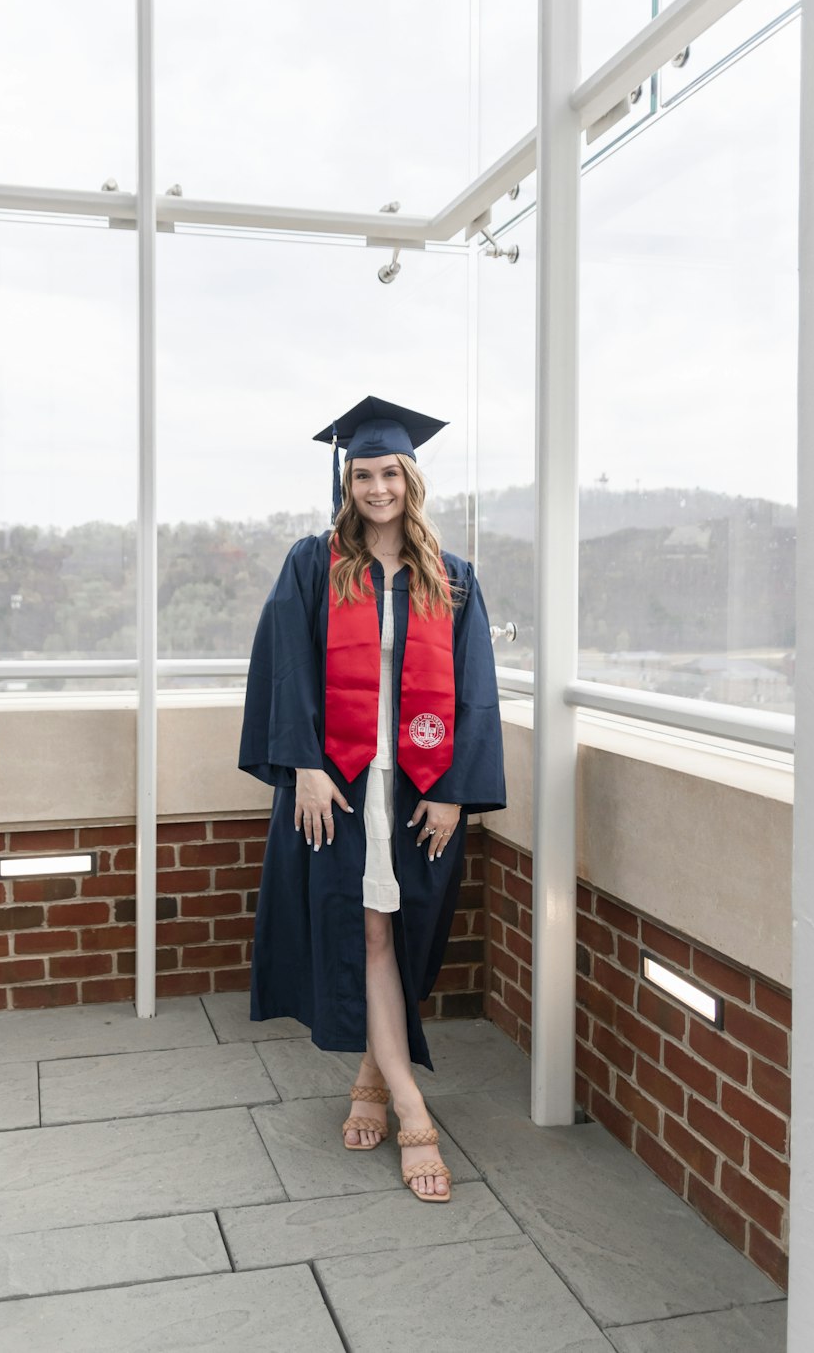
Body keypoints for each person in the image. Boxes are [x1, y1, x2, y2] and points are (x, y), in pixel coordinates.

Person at [238, 395, 505, 1203]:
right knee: (368, 935)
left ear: (411, 478)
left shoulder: (451, 578)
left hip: (420, 784)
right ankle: (413, 1108)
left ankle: (369, 1080)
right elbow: (283, 663)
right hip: (343, 786)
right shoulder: (314, 563)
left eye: (390, 472)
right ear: (345, 481)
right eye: (363, 475)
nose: (378, 488)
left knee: (398, 933)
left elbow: (477, 692)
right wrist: (304, 766)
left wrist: (456, 791)